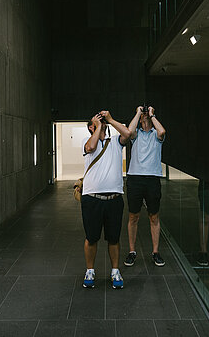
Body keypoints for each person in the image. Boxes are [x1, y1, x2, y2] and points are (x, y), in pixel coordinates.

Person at [81, 110, 131, 289]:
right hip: (92, 199)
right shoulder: (86, 142)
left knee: (114, 238)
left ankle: (115, 271)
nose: (104, 126)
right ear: (91, 127)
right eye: (98, 123)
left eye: (104, 124)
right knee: (91, 237)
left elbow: (128, 134)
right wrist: (98, 126)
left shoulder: (116, 142)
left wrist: (110, 119)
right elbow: (91, 148)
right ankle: (90, 270)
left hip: (114, 199)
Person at [123, 105, 167, 268]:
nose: (145, 118)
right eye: (144, 117)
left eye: (146, 116)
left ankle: (155, 252)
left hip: (152, 178)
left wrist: (152, 115)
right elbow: (128, 131)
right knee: (133, 216)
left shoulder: (156, 134)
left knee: (153, 216)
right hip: (135, 178)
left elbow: (162, 132)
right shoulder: (136, 135)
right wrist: (137, 113)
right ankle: (132, 251)